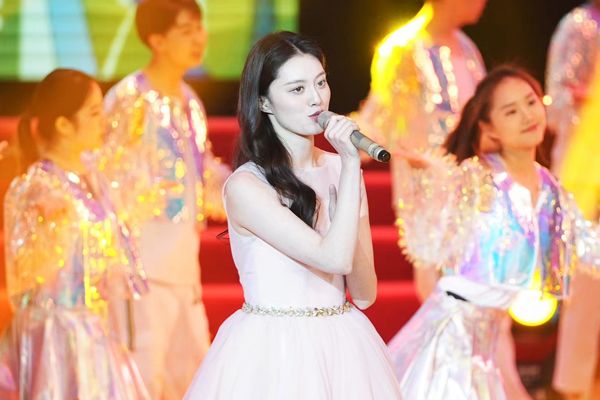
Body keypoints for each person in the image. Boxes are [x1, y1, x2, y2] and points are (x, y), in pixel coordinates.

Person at [183, 31, 402, 399]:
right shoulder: (247, 187)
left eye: (320, 83)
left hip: (342, 345)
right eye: (297, 89)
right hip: (273, 352)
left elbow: (365, 294)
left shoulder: (341, 169)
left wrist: (348, 180)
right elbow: (331, 258)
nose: (316, 98)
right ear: (264, 102)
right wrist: (351, 165)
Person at [387, 66, 600, 400]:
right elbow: (430, 239)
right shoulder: (478, 179)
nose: (527, 115)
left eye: (531, 102)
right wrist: (433, 179)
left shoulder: (550, 187)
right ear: (489, 128)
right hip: (452, 337)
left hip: (489, 340)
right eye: (511, 111)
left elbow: (588, 246)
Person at [99, 1, 230, 399]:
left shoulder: (190, 100)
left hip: (183, 268)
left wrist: (245, 189)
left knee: (192, 382)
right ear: (157, 39)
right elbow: (107, 184)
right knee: (141, 382)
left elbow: (202, 174)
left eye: (199, 27)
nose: (199, 37)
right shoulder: (129, 98)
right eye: (186, 30)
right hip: (141, 272)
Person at [0, 69, 149, 400]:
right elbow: (25, 277)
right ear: (64, 125)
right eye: (94, 113)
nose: (103, 120)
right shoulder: (37, 187)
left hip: (94, 325)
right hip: (56, 332)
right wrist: (53, 230)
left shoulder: (93, 178)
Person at [547, 4, 600, 399]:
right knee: (585, 282)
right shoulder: (580, 26)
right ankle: (574, 387)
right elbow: (559, 99)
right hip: (584, 173)